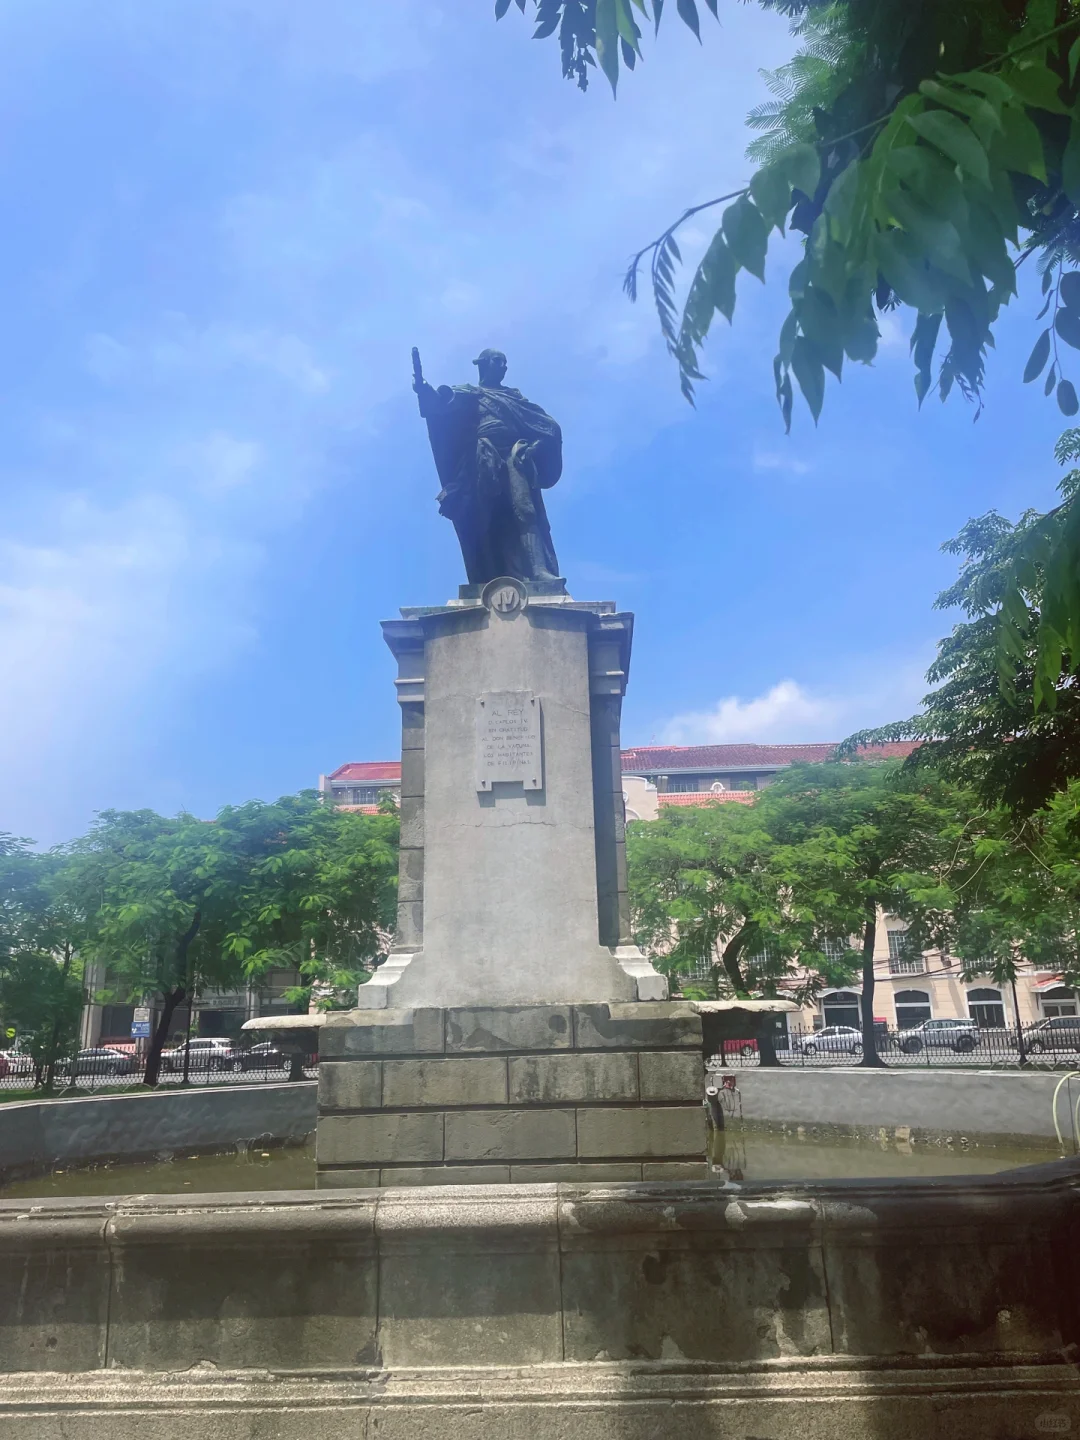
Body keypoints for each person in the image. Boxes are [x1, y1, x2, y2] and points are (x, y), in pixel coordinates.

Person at [413, 348, 563, 585]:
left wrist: (533, 448)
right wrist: (424, 390)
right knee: (487, 517)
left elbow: (548, 427)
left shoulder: (514, 397)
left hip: (515, 457)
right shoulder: (469, 393)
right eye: (498, 361)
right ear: (482, 364)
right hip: (482, 461)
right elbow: (441, 404)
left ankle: (538, 571)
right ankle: (491, 575)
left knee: (525, 510)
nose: (504, 367)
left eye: (505, 362)